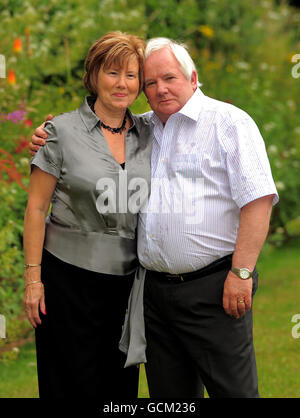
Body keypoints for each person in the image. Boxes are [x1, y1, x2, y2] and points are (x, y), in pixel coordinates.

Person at [31, 37, 278, 398]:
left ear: (193, 78)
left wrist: (241, 273)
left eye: (169, 78)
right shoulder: (144, 128)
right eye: (150, 82)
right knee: (169, 397)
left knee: (233, 391)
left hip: (214, 288)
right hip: (152, 296)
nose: (159, 89)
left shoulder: (229, 123)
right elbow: (87, 136)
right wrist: (44, 137)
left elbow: (257, 200)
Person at [23, 31, 153, 399]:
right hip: (66, 281)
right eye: (112, 73)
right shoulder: (59, 132)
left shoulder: (151, 132)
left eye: (131, 75)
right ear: (93, 74)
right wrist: (34, 280)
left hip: (128, 286)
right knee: (68, 381)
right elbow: (35, 209)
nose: (122, 84)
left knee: (119, 388)